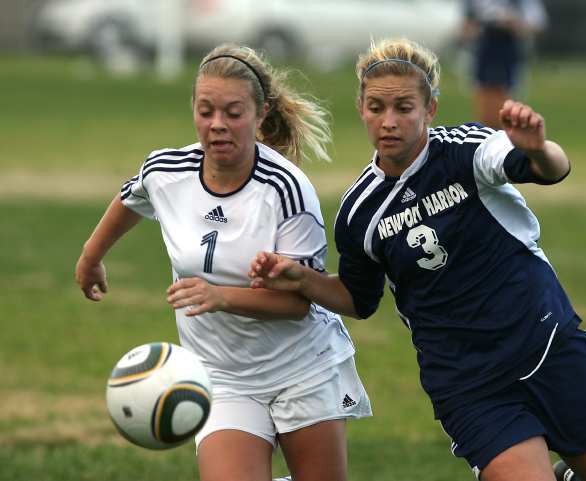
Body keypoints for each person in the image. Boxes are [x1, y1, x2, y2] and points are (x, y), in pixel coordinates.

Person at [249, 38, 586, 481]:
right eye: (377, 107)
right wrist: (300, 278)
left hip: (547, 344)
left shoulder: (466, 150)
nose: (389, 122)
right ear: (360, 107)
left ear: (430, 108)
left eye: (404, 108)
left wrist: (536, 148)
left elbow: (551, 169)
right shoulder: (360, 211)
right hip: (470, 382)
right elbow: (359, 299)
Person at [75, 44, 371, 481]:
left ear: (259, 112)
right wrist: (91, 255)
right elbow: (132, 197)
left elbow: (298, 305)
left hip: (302, 368)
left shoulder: (286, 189)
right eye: (206, 111)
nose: (217, 125)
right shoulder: (167, 170)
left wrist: (220, 297)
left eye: (233, 113)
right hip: (221, 376)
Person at [461, 0, 547, 128]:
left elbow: (538, 23)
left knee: (507, 98)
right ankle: (486, 134)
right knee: (484, 96)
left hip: (509, 51)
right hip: (484, 50)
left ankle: (506, 136)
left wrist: (515, 25)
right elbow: (466, 26)